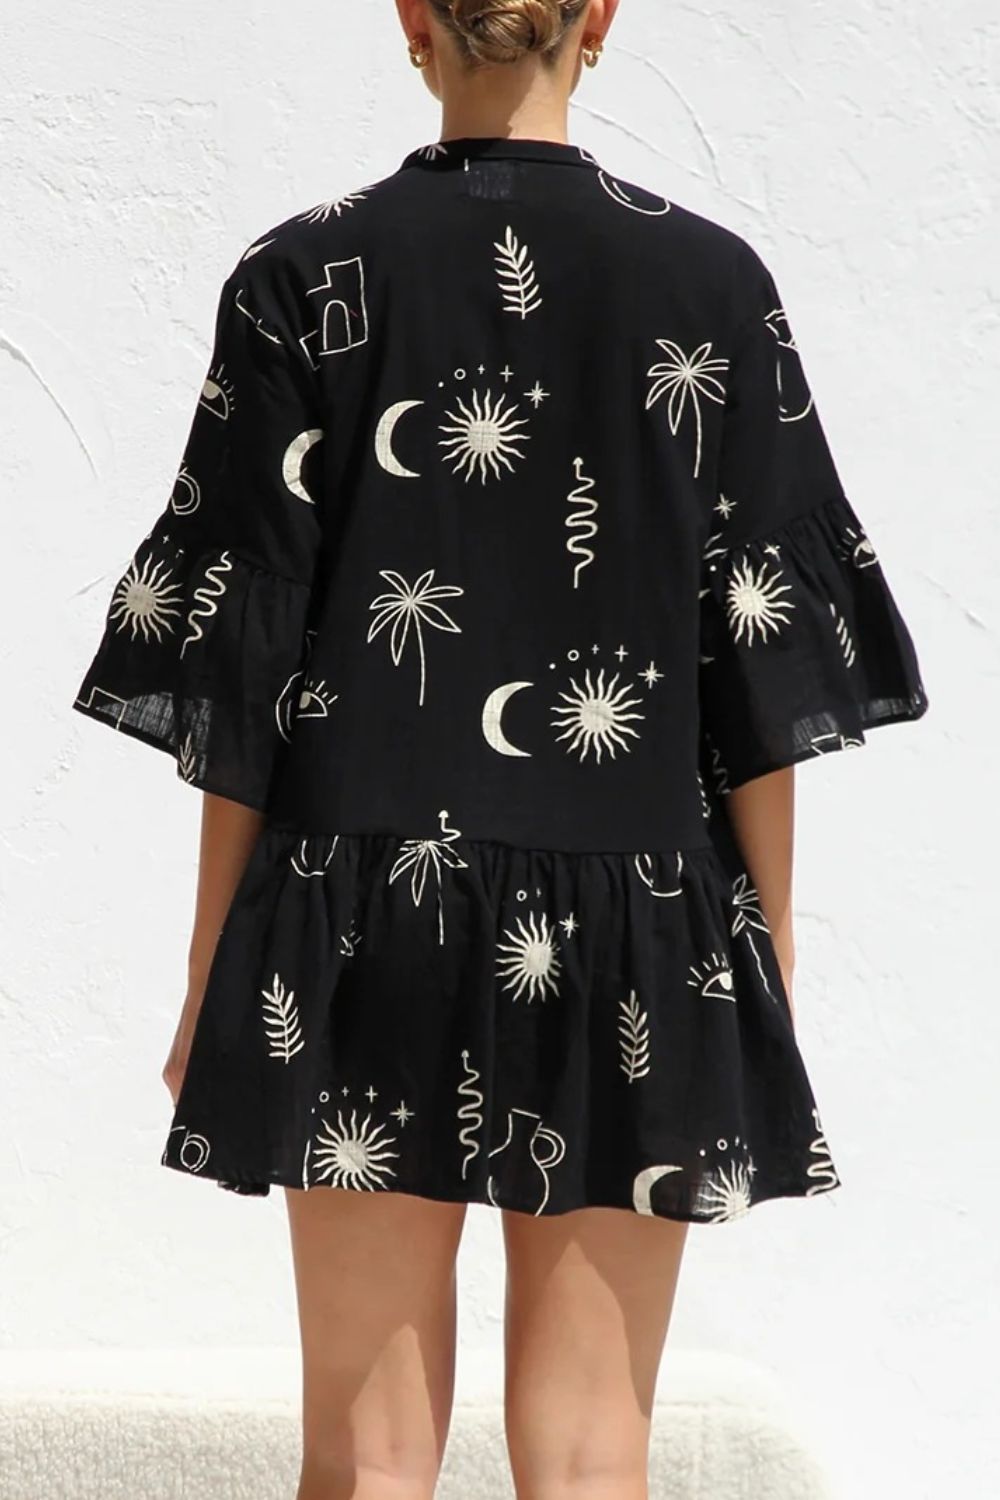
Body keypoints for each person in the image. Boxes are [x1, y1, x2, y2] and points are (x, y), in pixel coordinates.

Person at [70, 0, 930, 1495]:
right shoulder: (712, 284)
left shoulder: (301, 276)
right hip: (636, 922)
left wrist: (215, 960)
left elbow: (244, 665)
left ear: (414, 22)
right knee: (595, 1458)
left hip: (358, 914)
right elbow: (760, 654)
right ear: (600, 19)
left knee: (365, 1459)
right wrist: (768, 943)